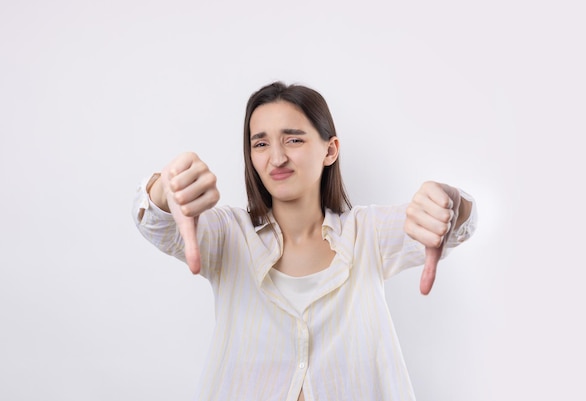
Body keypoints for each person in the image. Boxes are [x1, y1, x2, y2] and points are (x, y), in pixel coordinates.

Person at [132, 81, 477, 401]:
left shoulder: (366, 233)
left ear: (330, 150)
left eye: (293, 139)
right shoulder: (229, 235)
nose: (277, 158)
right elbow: (157, 222)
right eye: (261, 143)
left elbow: (450, 222)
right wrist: (167, 187)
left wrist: (450, 203)